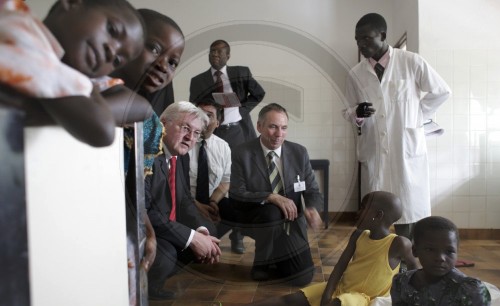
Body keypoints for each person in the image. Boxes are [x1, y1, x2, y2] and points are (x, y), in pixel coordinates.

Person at [342, 13, 451, 240]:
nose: (361, 45)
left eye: (366, 38)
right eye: (357, 40)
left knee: (408, 215)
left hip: (406, 151)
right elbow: (348, 110)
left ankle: (407, 269)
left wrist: (419, 116)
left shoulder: (411, 61)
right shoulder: (355, 74)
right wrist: (357, 113)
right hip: (375, 152)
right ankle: (377, 266)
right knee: (375, 217)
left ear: (382, 36)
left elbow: (441, 91)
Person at [0, 0, 147, 147]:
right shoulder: (28, 44)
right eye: (112, 30)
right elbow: (103, 131)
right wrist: (88, 87)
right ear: (72, 2)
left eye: (117, 61)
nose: (112, 51)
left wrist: (38, 113)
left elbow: (143, 108)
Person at [248, 191, 418, 306]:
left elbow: (415, 269)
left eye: (362, 208)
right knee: (291, 300)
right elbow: (340, 266)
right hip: (341, 287)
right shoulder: (359, 235)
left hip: (362, 299)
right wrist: (327, 293)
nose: (357, 212)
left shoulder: (398, 243)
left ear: (378, 215)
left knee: (337, 303)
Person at [226, 103, 322, 286]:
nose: (279, 134)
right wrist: (270, 197)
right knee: (272, 212)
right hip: (258, 218)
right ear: (259, 126)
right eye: (273, 127)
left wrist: (312, 208)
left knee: (302, 278)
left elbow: (312, 191)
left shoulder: (299, 152)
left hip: (291, 221)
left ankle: (276, 254)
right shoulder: (242, 153)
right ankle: (261, 262)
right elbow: (236, 193)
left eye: (283, 128)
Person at [145, 101, 221, 300]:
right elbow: (147, 212)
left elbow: (185, 199)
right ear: (163, 123)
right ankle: (146, 288)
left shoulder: (181, 156)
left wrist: (200, 232)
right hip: (146, 228)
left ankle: (156, 280)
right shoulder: (148, 154)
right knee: (166, 255)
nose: (190, 137)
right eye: (185, 128)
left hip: (166, 222)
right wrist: (192, 238)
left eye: (196, 133)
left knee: (209, 230)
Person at [391, 216, 492, 305]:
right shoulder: (401, 283)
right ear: (415, 251)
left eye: (449, 251)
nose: (440, 258)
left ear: (457, 252)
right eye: (430, 249)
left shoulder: (471, 291)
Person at [188, 100, 235, 237]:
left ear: (218, 122)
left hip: (210, 199)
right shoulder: (184, 143)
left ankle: (209, 238)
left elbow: (226, 180)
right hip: (185, 200)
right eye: (199, 114)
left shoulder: (223, 146)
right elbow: (176, 185)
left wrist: (214, 201)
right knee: (205, 225)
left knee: (236, 211)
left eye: (209, 115)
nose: (203, 118)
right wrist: (197, 205)